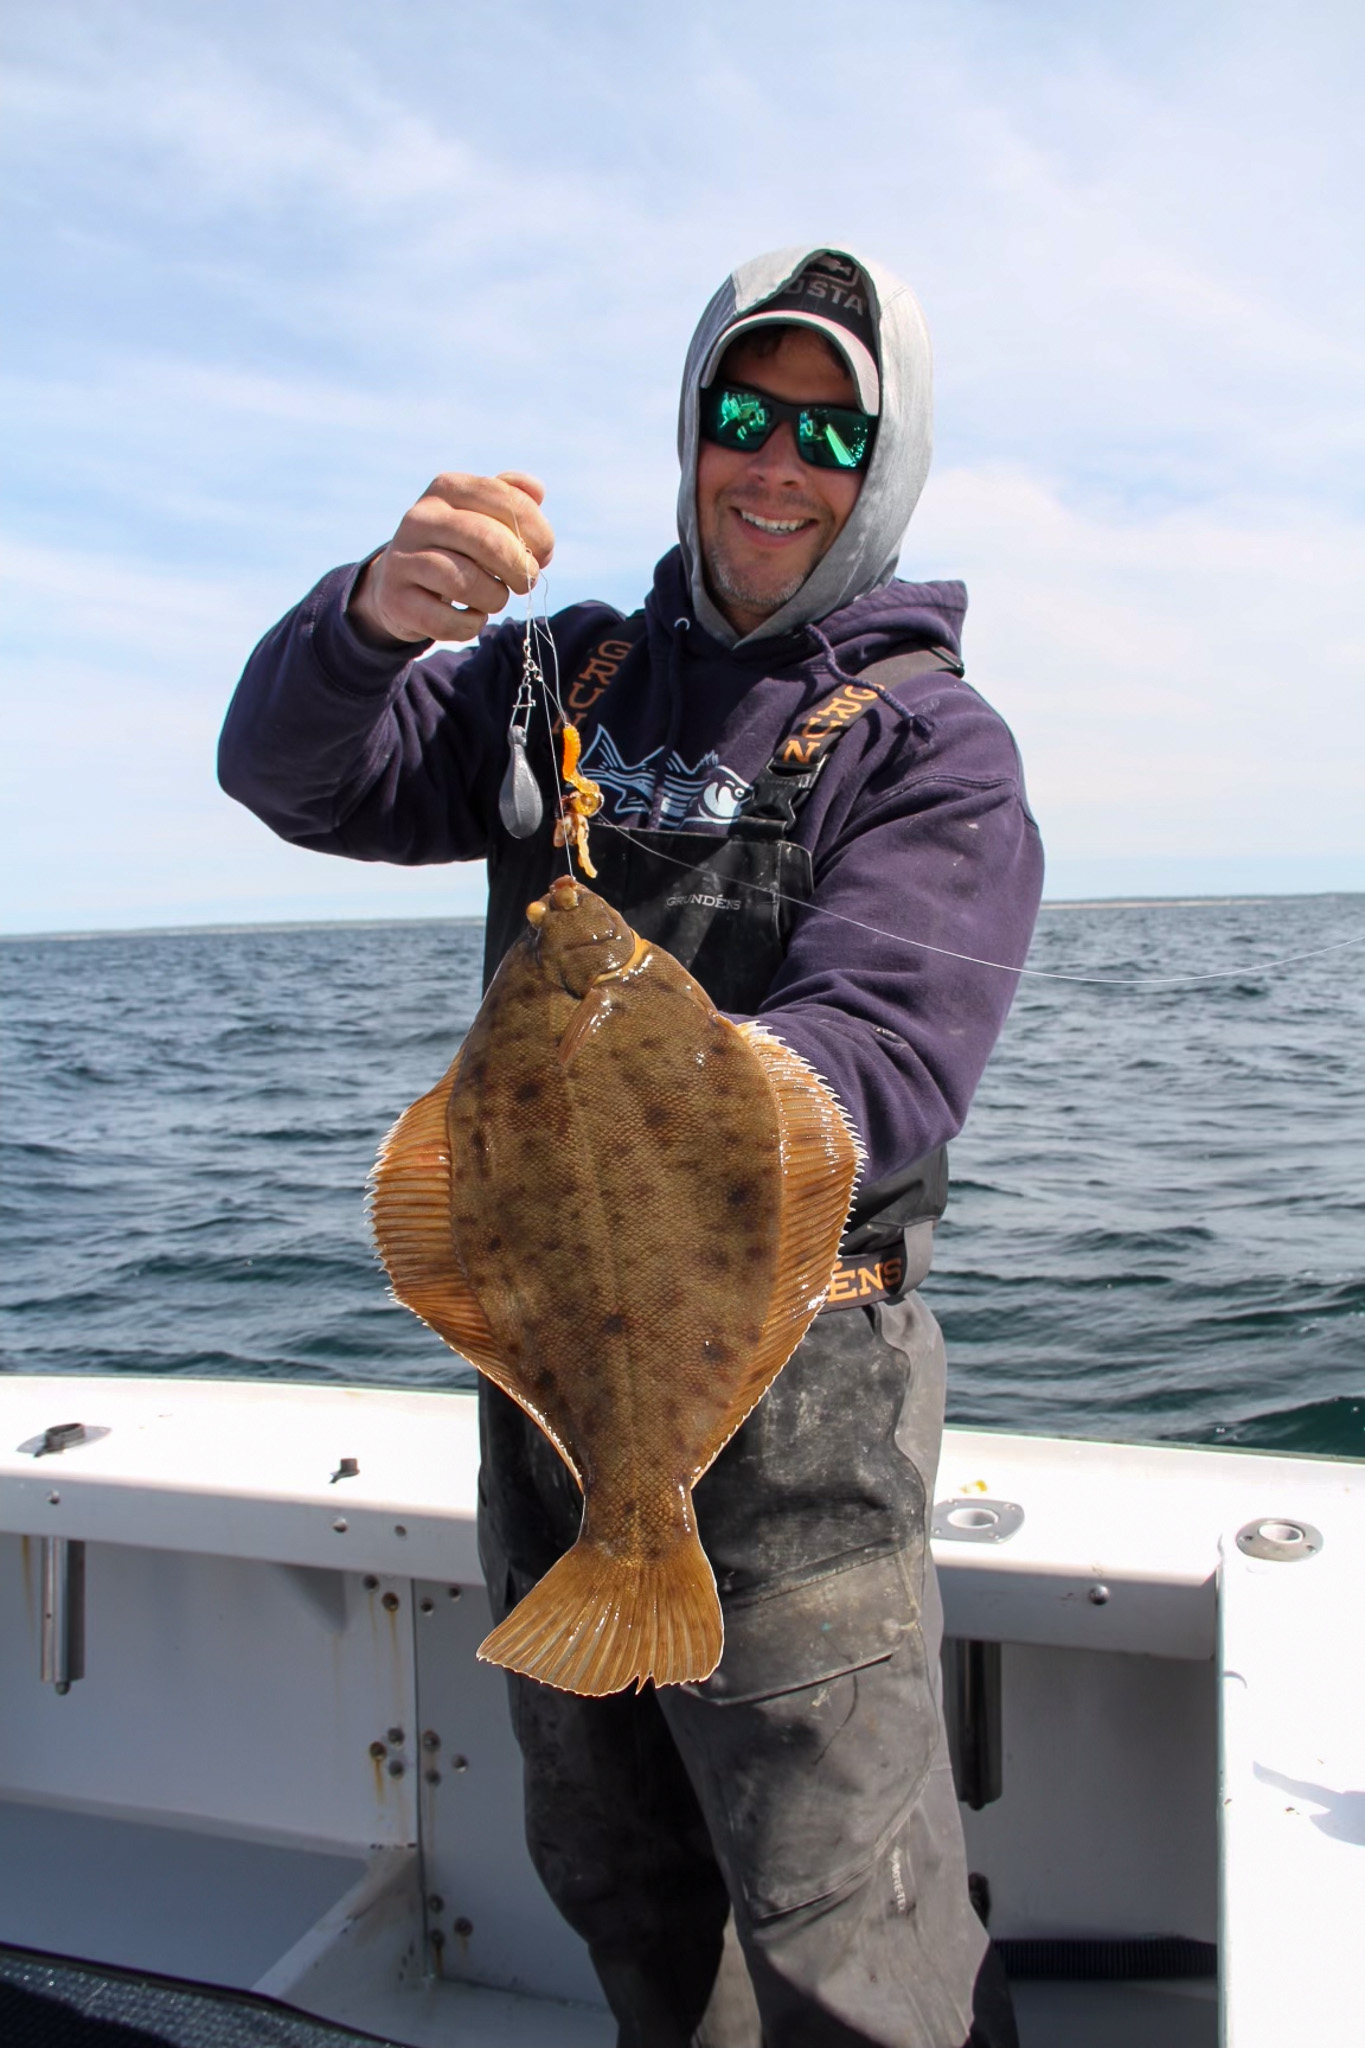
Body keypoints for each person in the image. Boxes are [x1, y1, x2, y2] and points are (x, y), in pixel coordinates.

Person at [220, 244, 1042, 2048]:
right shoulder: (555, 681)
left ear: (884, 467)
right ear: (691, 430)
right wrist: (369, 623)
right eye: (743, 416)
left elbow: (888, 1053)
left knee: (838, 1896)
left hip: (801, 1392)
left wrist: (664, 1070)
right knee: (616, 1866)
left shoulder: (932, 751)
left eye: (831, 433)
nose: (776, 463)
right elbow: (298, 777)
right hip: (560, 1380)